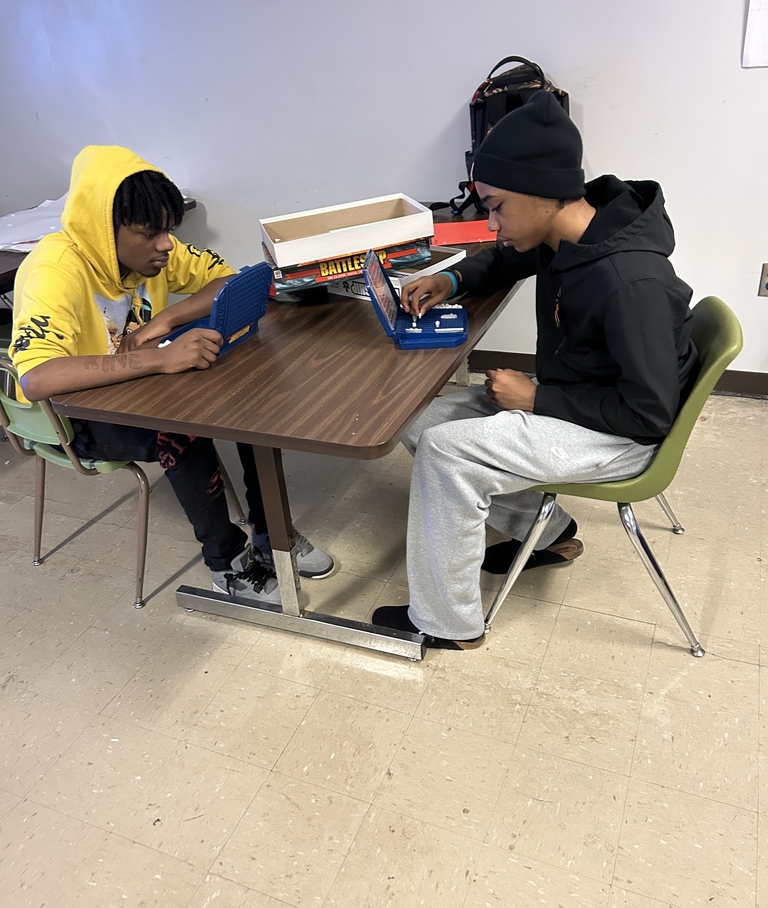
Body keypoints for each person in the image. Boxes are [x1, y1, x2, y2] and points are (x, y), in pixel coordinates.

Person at [372, 90, 698, 650]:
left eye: (496, 206)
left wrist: (535, 399)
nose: (490, 222)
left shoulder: (628, 282)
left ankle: (446, 624)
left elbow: (648, 414)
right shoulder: (565, 231)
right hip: (583, 391)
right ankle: (550, 535)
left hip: (622, 430)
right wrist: (449, 280)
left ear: (543, 194)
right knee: (418, 420)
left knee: (449, 453)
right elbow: (507, 256)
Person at [10, 145, 334, 602]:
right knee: (182, 431)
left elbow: (231, 280)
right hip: (73, 414)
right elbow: (38, 378)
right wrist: (160, 359)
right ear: (106, 230)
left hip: (134, 385)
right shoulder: (54, 271)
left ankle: (271, 534)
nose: (166, 244)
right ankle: (227, 566)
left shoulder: (156, 250)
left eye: (168, 230)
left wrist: (165, 322)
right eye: (149, 233)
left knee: (248, 401)